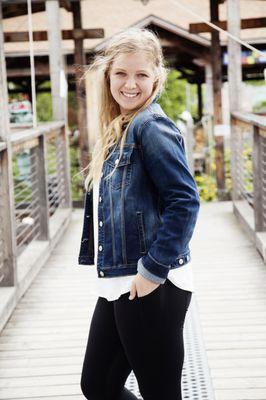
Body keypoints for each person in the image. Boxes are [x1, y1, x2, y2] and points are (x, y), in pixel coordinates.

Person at [77, 27, 200, 400]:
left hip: (149, 283)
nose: (131, 84)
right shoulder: (121, 127)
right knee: (97, 385)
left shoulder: (151, 125)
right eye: (122, 74)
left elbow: (184, 200)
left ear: (156, 77)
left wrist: (153, 271)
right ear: (108, 76)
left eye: (142, 74)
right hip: (120, 281)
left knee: (160, 392)